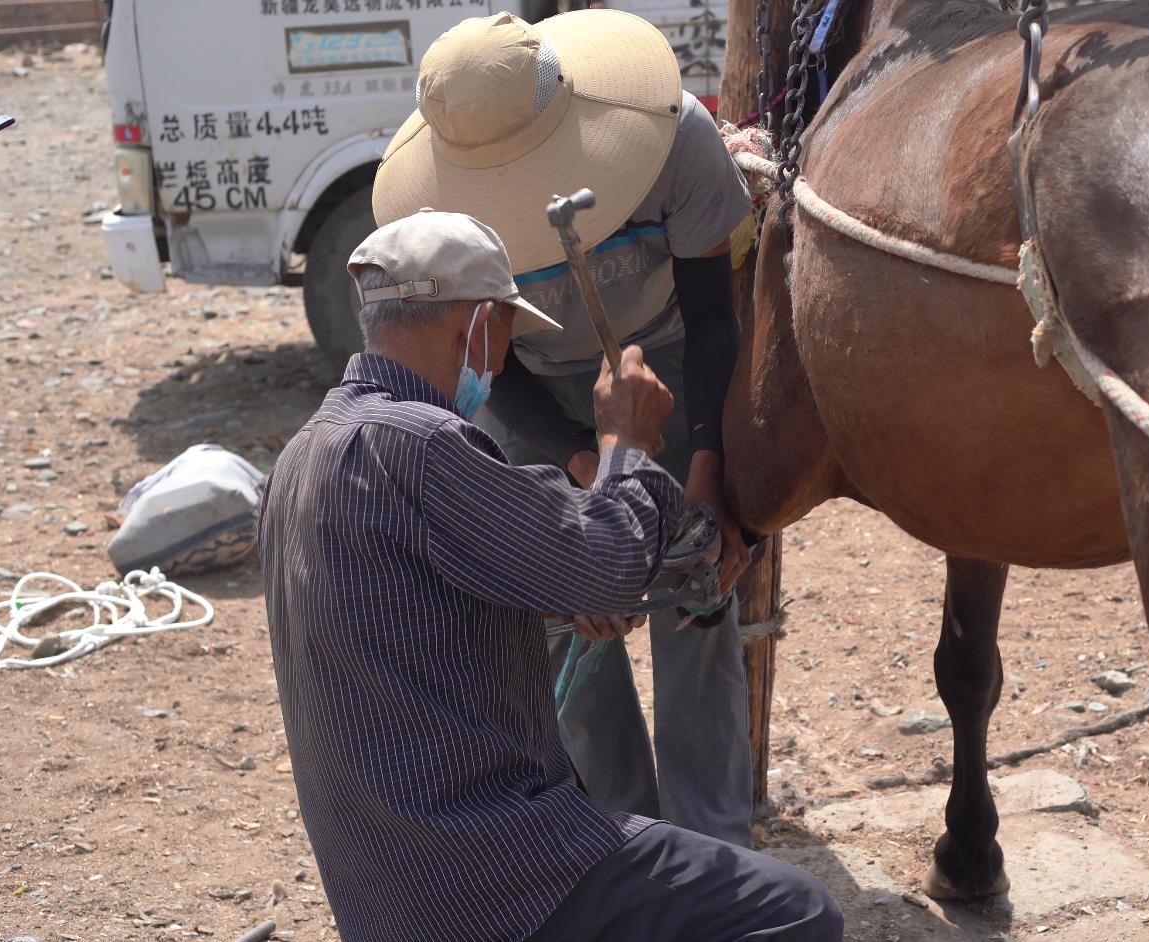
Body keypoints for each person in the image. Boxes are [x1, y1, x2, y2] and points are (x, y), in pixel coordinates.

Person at [259, 209, 842, 941]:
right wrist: (625, 442)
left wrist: (554, 605)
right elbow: (606, 568)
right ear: (474, 323)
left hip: (387, 890)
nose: (501, 362)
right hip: (497, 870)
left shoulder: (302, 459)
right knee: (794, 911)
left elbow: (401, 614)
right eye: (506, 330)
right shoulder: (423, 443)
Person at [373, 11, 758, 846]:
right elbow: (490, 368)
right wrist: (586, 470)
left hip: (676, 360)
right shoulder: (436, 217)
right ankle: (628, 840)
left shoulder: (673, 135)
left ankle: (718, 852)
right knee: (560, 616)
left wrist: (708, 477)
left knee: (698, 593)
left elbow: (714, 313)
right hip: (536, 390)